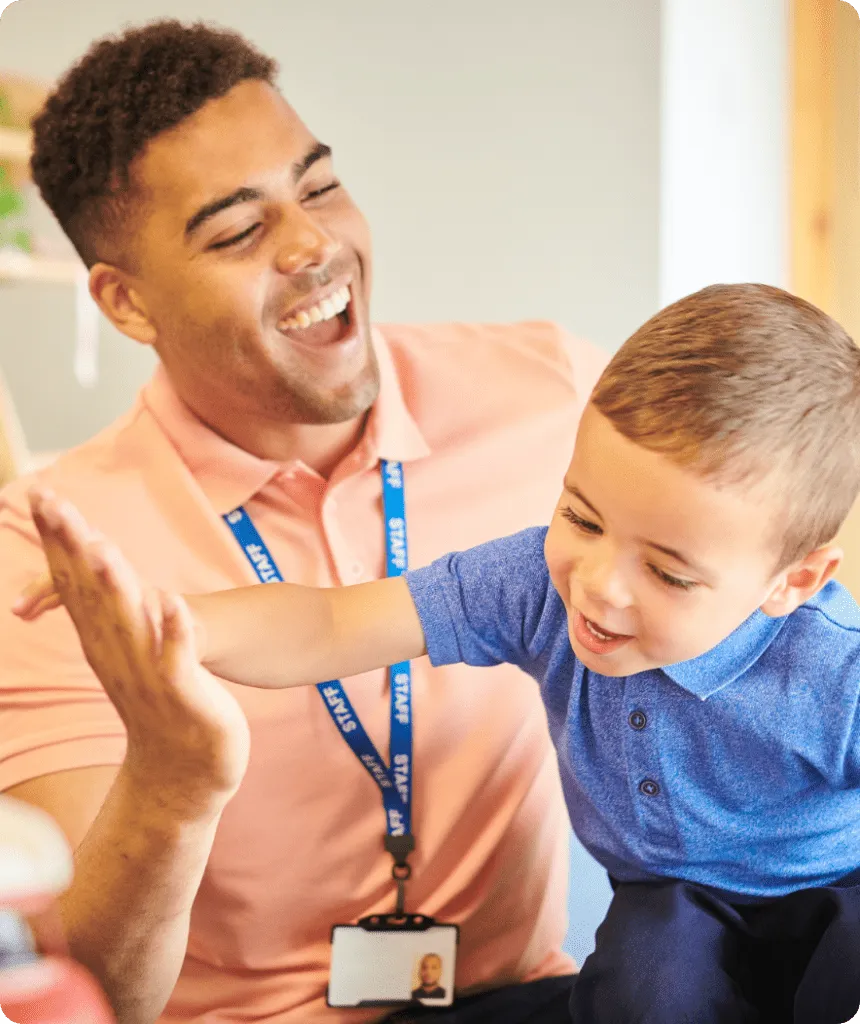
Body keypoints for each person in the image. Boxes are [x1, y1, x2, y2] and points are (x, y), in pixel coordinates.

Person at [17, 282, 860, 1024]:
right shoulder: (535, 583)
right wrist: (176, 624)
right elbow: (333, 626)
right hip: (678, 902)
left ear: (791, 582)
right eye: (584, 518)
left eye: (670, 574)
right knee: (644, 997)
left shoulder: (832, 673)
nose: (600, 587)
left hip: (836, 890)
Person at [0, 17, 609, 1024]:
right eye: (238, 231)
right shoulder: (49, 550)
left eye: (319, 186)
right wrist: (175, 779)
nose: (314, 243)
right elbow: (90, 994)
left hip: (522, 999)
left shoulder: (552, 391)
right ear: (126, 302)